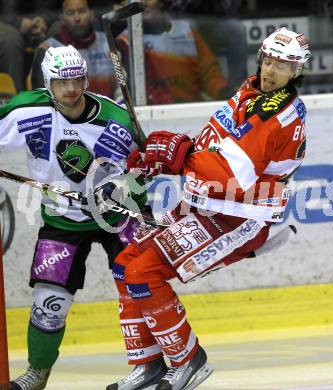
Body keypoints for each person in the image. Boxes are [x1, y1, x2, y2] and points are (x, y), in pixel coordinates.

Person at [106, 27, 311, 389]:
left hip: (238, 218)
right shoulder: (251, 92)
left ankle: (188, 360)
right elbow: (210, 145)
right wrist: (163, 156)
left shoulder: (277, 114)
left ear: (296, 72)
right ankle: (147, 364)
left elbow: (230, 172)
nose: (271, 69)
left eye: (283, 65)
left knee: (143, 273)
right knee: (125, 266)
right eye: (269, 59)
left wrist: (179, 156)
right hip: (204, 206)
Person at [0, 45, 147, 390]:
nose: (71, 89)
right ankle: (38, 373)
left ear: (85, 79)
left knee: (141, 289)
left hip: (118, 218)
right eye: (61, 82)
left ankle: (150, 366)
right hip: (62, 220)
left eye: (77, 80)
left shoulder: (116, 118)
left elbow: (141, 170)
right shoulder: (26, 109)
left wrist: (136, 198)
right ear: (47, 82)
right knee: (48, 303)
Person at [116, 0, 231, 104]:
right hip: (156, 115)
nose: (143, 2)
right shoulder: (125, 42)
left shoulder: (187, 31)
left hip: (191, 111)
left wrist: (224, 93)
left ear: (161, 2)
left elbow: (210, 73)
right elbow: (142, 92)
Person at [31, 0, 119, 99]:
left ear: (91, 14)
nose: (77, 18)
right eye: (70, 13)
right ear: (61, 18)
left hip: (109, 110)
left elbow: (122, 86)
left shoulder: (108, 43)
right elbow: (42, 97)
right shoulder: (47, 50)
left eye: (82, 11)